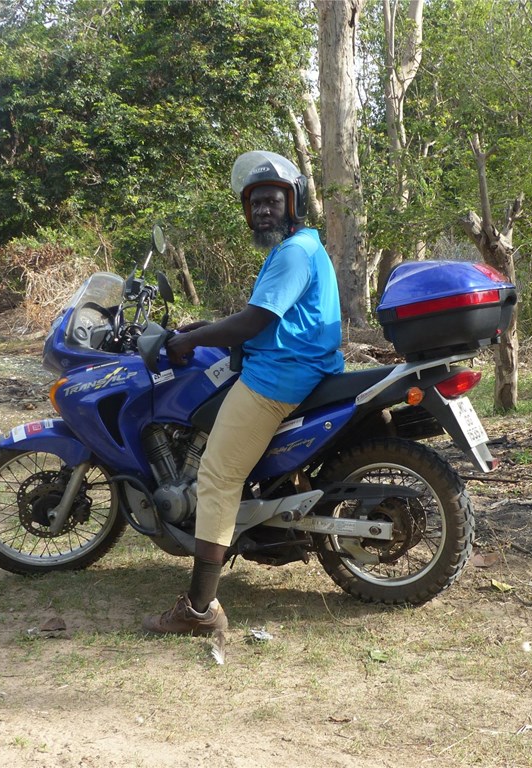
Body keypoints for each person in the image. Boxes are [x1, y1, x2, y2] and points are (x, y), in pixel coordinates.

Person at [142, 151, 343, 636]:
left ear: (294, 203)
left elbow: (257, 321)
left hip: (280, 375)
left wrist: (190, 340)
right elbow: (263, 314)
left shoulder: (294, 252)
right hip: (294, 363)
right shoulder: (297, 248)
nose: (263, 211)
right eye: (255, 204)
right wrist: (206, 327)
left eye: (273, 201)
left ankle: (199, 611)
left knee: (216, 475)